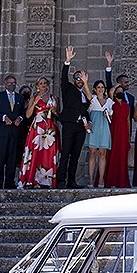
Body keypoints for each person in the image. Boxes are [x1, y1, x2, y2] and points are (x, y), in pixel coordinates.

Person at [18, 76, 60, 188]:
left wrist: (54, 111)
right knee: (35, 151)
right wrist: (34, 103)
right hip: (37, 127)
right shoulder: (34, 98)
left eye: (45, 83)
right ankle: (32, 179)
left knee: (49, 153)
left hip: (50, 126)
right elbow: (28, 115)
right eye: (41, 83)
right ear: (37, 85)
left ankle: (47, 181)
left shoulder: (54, 97)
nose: (43, 85)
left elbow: (58, 114)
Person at [59, 47, 90, 189]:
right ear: (74, 80)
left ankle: (71, 181)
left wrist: (88, 121)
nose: (80, 80)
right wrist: (67, 61)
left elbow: (86, 109)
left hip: (80, 127)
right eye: (77, 78)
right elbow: (63, 78)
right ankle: (61, 181)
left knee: (75, 155)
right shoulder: (68, 89)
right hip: (69, 125)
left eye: (82, 78)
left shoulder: (85, 94)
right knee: (65, 153)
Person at [85, 79, 113, 188]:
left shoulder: (109, 101)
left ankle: (101, 179)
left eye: (102, 87)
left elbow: (111, 118)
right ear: (95, 89)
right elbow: (87, 93)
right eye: (98, 87)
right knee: (92, 153)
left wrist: (108, 115)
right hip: (94, 128)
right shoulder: (93, 100)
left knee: (102, 154)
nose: (101, 89)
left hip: (104, 128)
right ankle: (90, 179)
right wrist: (85, 82)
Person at [105, 83, 133, 188]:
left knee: (122, 156)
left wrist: (129, 135)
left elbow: (128, 120)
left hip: (124, 133)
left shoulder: (126, 105)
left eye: (121, 91)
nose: (120, 93)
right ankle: (110, 180)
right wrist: (116, 86)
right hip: (114, 131)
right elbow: (110, 92)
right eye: (118, 91)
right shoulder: (111, 104)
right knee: (112, 155)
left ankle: (122, 181)